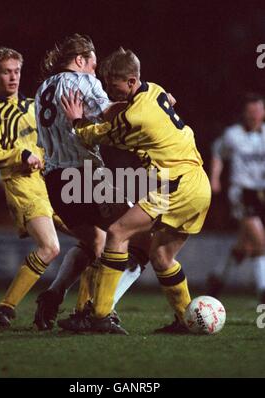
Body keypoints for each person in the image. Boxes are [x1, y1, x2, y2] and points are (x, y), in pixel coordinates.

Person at [61, 47, 211, 334]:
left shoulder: (137, 115)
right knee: (162, 256)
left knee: (117, 233)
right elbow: (161, 102)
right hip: (197, 183)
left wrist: (77, 122)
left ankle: (100, 316)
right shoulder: (154, 90)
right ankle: (186, 319)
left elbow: (98, 136)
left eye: (113, 83)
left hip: (176, 184)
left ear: (131, 81)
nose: (108, 89)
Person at [34, 34, 151, 333]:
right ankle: (101, 311)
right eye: (94, 64)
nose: (97, 72)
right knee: (140, 240)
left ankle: (54, 294)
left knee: (96, 242)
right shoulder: (83, 83)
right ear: (81, 59)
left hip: (55, 181)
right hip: (85, 176)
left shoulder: (42, 89)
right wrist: (142, 103)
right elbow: (109, 110)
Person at [0, 47, 65, 327]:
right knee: (50, 247)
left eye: (16, 71)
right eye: (6, 71)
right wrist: (20, 155)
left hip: (50, 183)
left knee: (96, 241)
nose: (13, 77)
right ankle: (5, 307)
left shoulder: (33, 106)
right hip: (22, 185)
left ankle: (83, 310)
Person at [208, 93, 265, 302]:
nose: (254, 115)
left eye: (258, 111)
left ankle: (216, 279)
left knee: (245, 246)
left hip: (260, 194)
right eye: (251, 112)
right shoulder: (233, 135)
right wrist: (215, 178)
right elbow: (217, 153)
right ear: (244, 113)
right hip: (241, 192)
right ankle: (263, 291)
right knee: (260, 241)